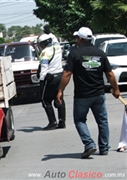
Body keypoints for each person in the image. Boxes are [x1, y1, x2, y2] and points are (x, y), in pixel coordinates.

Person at [56, 27, 120, 159]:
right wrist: (116, 89)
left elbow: (67, 73)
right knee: (102, 121)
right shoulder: (100, 53)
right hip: (99, 94)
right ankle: (103, 148)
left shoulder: (75, 54)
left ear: (80, 38)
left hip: (82, 95)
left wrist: (60, 90)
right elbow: (110, 74)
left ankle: (89, 144)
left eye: (77, 38)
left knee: (79, 120)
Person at [37, 33, 66, 130]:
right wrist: (50, 33)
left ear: (42, 44)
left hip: (50, 78)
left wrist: (41, 81)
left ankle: (52, 122)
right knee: (59, 97)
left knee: (45, 100)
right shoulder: (57, 47)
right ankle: (62, 121)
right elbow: (55, 39)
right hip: (60, 76)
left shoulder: (45, 53)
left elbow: (44, 68)